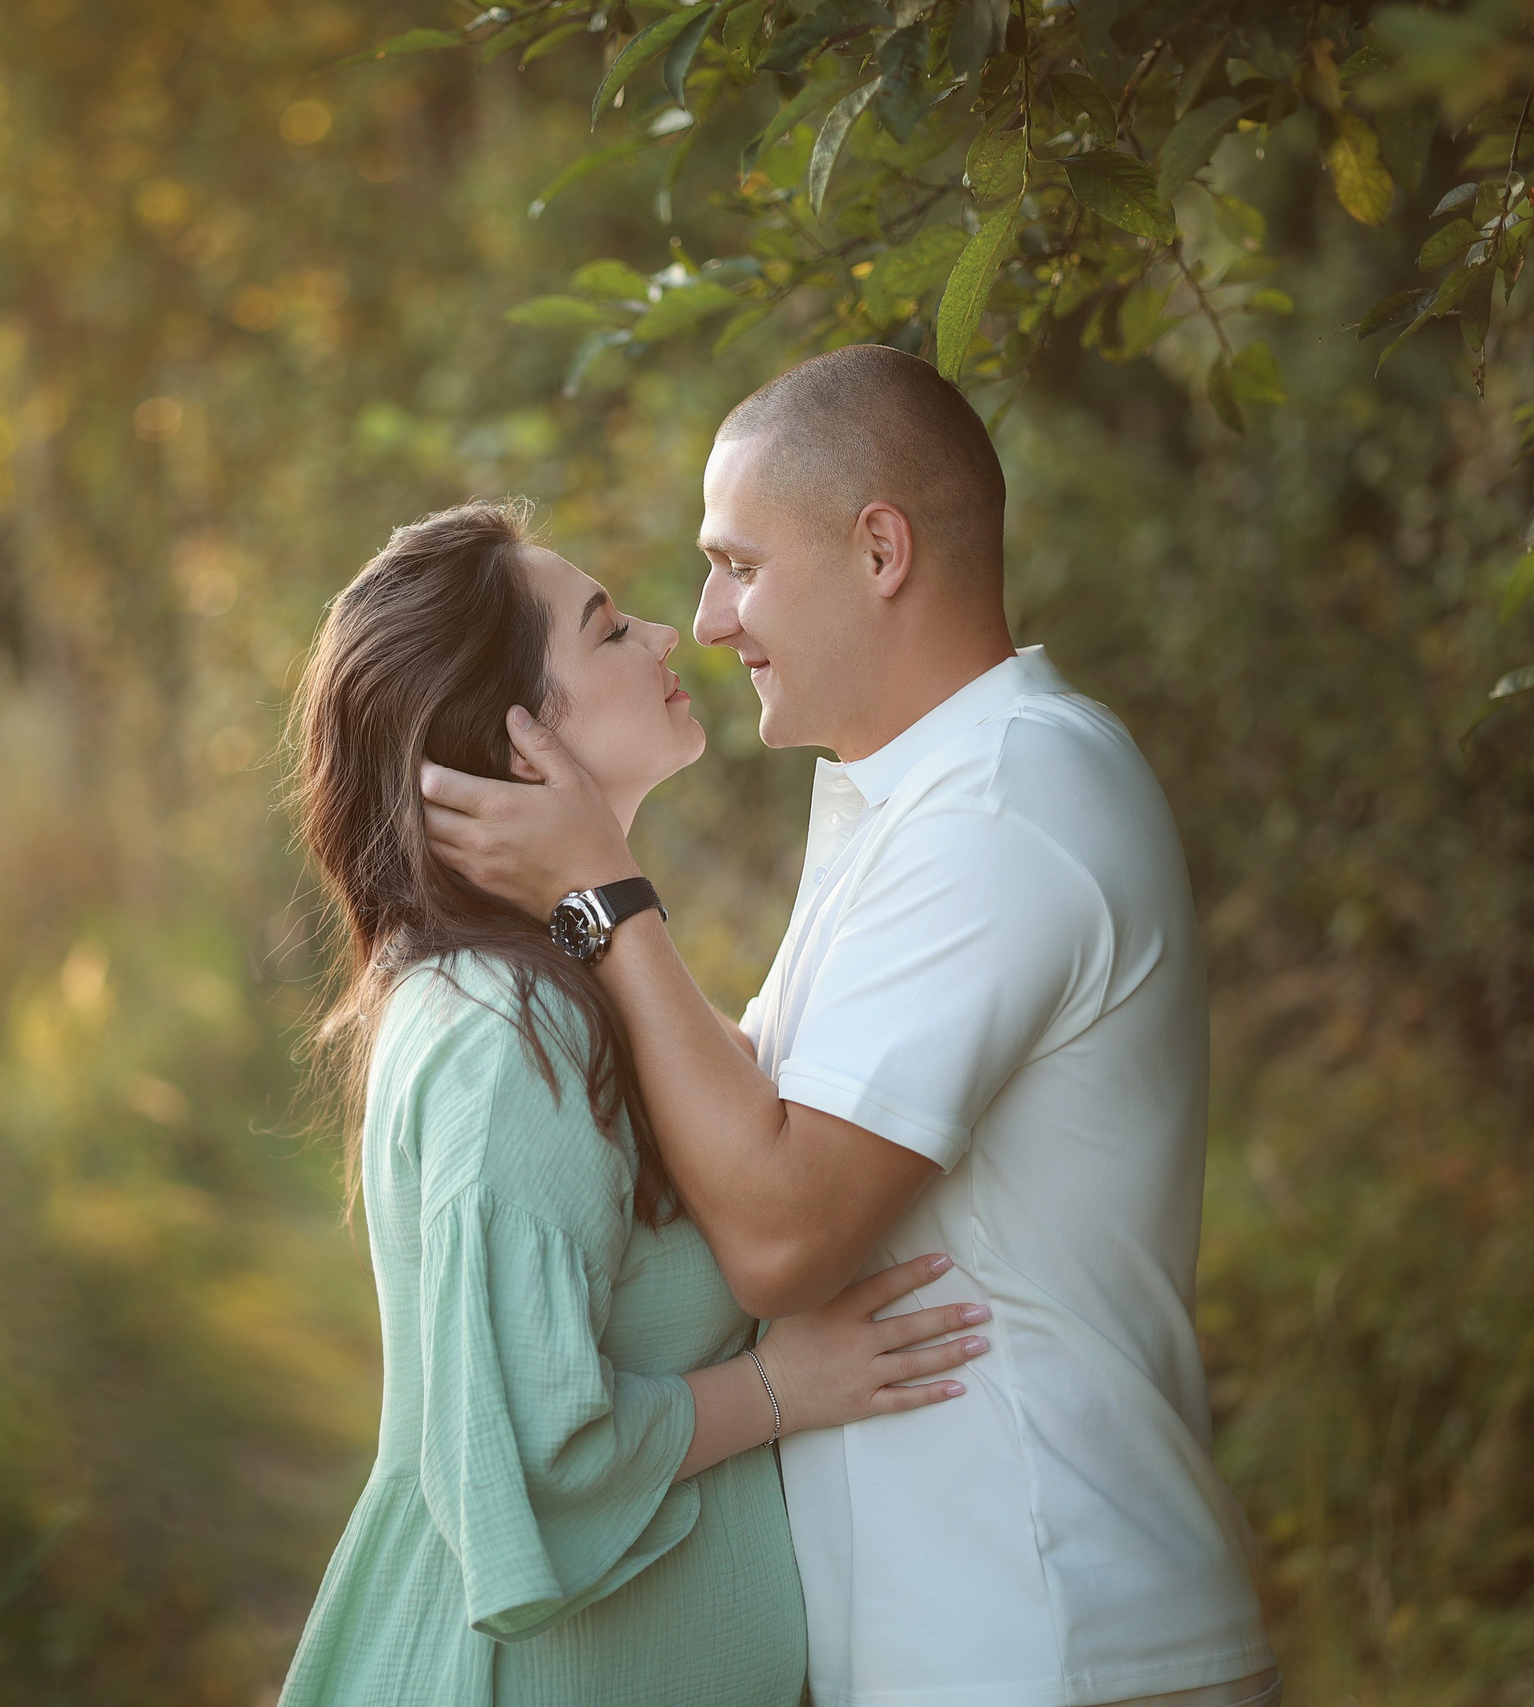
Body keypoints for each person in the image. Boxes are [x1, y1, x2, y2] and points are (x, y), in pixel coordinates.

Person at [420, 347, 1279, 1707]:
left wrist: (604, 896)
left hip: (1055, 1637)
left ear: (881, 548)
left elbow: (776, 1229)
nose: (707, 618)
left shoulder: (1002, 809)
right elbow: (732, 1112)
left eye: (740, 564)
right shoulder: (915, 805)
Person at [278, 498, 993, 1707]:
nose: (668, 634)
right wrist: (778, 1390)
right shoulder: (507, 1037)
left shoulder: (576, 982)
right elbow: (525, 1467)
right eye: (608, 630)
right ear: (516, 748)